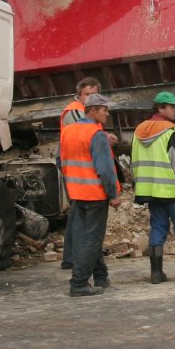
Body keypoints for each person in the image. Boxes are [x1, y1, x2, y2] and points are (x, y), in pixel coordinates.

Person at [132, 91, 175, 284]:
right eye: (172, 107)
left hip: (151, 192)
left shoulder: (139, 132)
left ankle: (156, 274)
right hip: (174, 193)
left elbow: (134, 163)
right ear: (160, 108)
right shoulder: (171, 133)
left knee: (157, 229)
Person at [58, 93, 123, 296]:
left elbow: (60, 161)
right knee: (93, 239)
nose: (107, 114)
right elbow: (105, 170)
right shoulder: (97, 135)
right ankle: (78, 282)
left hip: (76, 193)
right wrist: (113, 194)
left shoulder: (67, 132)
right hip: (95, 194)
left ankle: (101, 276)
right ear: (93, 110)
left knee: (85, 237)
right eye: (104, 110)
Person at [59, 78, 110, 270]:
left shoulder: (86, 118)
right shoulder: (74, 113)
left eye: (94, 94)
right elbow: (83, 140)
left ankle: (96, 273)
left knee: (84, 228)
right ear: (79, 95)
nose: (91, 98)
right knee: (87, 231)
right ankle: (76, 270)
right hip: (86, 182)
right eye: (88, 95)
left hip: (81, 179)